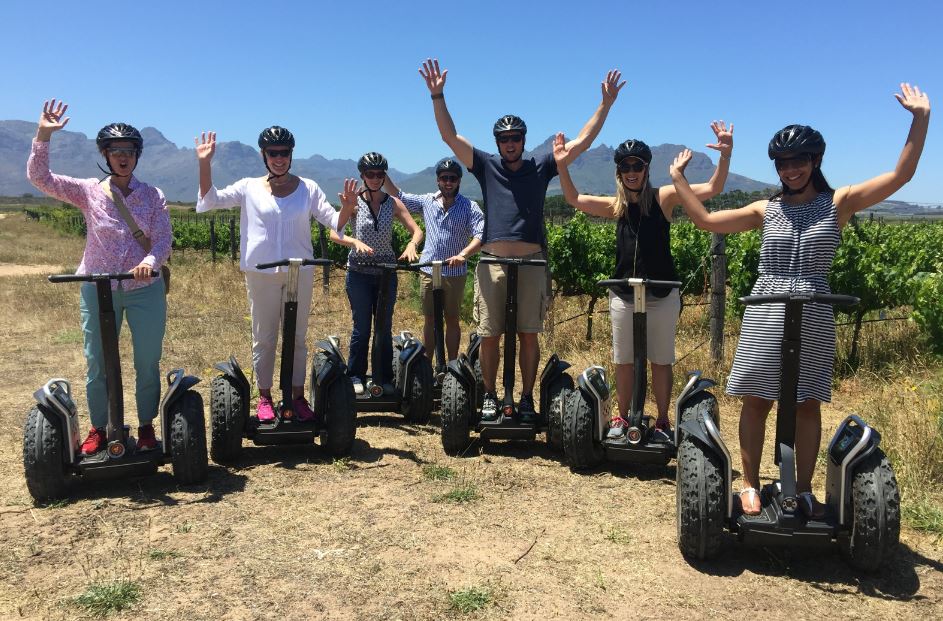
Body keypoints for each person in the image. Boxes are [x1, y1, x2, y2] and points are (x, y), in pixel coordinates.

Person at [669, 83, 930, 516]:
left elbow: (900, 176)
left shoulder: (838, 203)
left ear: (815, 161)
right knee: (757, 399)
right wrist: (678, 178)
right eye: (783, 162)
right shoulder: (764, 209)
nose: (790, 170)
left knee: (807, 402)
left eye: (798, 161)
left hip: (814, 307)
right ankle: (750, 484)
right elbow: (706, 220)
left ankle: (804, 488)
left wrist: (919, 119)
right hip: (767, 306)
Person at [419, 58, 624, 423]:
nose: (510, 143)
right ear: (496, 142)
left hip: (531, 263)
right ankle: (490, 396)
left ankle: (527, 398)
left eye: (515, 138)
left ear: (523, 141)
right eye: (504, 139)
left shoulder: (541, 165)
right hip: (492, 263)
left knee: (529, 334)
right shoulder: (485, 165)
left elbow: (582, 142)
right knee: (490, 334)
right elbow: (450, 137)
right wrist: (438, 96)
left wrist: (604, 105)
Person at [553, 122, 733, 442]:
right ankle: (623, 418)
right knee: (624, 361)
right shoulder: (617, 206)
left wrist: (725, 156)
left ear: (646, 168)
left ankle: (662, 420)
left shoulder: (663, 197)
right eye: (625, 166)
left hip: (661, 293)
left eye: (637, 165)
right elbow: (574, 198)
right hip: (624, 294)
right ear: (619, 172)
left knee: (660, 360)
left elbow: (712, 189)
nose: (631, 171)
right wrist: (561, 165)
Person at [27, 99, 171, 455]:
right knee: (97, 361)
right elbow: (41, 178)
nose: (123, 157)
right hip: (97, 288)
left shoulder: (153, 195)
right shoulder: (89, 191)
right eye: (115, 150)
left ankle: (147, 426)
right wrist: (43, 135)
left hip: (144, 289)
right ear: (105, 155)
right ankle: (99, 428)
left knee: (146, 360)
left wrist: (150, 260)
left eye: (129, 151)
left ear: (137, 156)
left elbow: (164, 238)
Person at [195, 128, 355, 422]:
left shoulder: (308, 188)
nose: (279, 159)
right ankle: (265, 397)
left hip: (299, 272)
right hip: (261, 274)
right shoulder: (248, 187)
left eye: (284, 153)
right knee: (264, 336)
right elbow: (210, 200)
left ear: (291, 155)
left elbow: (334, 222)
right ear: (263, 155)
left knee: (297, 337)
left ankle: (296, 396)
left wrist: (345, 208)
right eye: (273, 153)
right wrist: (205, 163)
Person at [382, 157, 484, 363]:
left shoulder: (469, 206)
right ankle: (427, 367)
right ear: (438, 180)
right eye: (444, 178)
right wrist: (381, 174)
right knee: (430, 319)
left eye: (452, 178)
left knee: (452, 320)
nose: (448, 182)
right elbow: (399, 196)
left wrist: (463, 255)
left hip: (454, 272)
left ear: (459, 181)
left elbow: (481, 234)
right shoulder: (427, 201)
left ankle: (452, 365)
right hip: (428, 271)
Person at [341, 152, 423, 395]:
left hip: (386, 273)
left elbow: (416, 230)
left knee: (384, 327)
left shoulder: (393, 203)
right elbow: (336, 232)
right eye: (370, 174)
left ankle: (383, 377)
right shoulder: (353, 202)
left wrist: (412, 244)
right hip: (359, 272)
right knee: (362, 327)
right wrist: (354, 242)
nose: (375, 179)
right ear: (362, 176)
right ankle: (355, 375)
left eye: (380, 174)